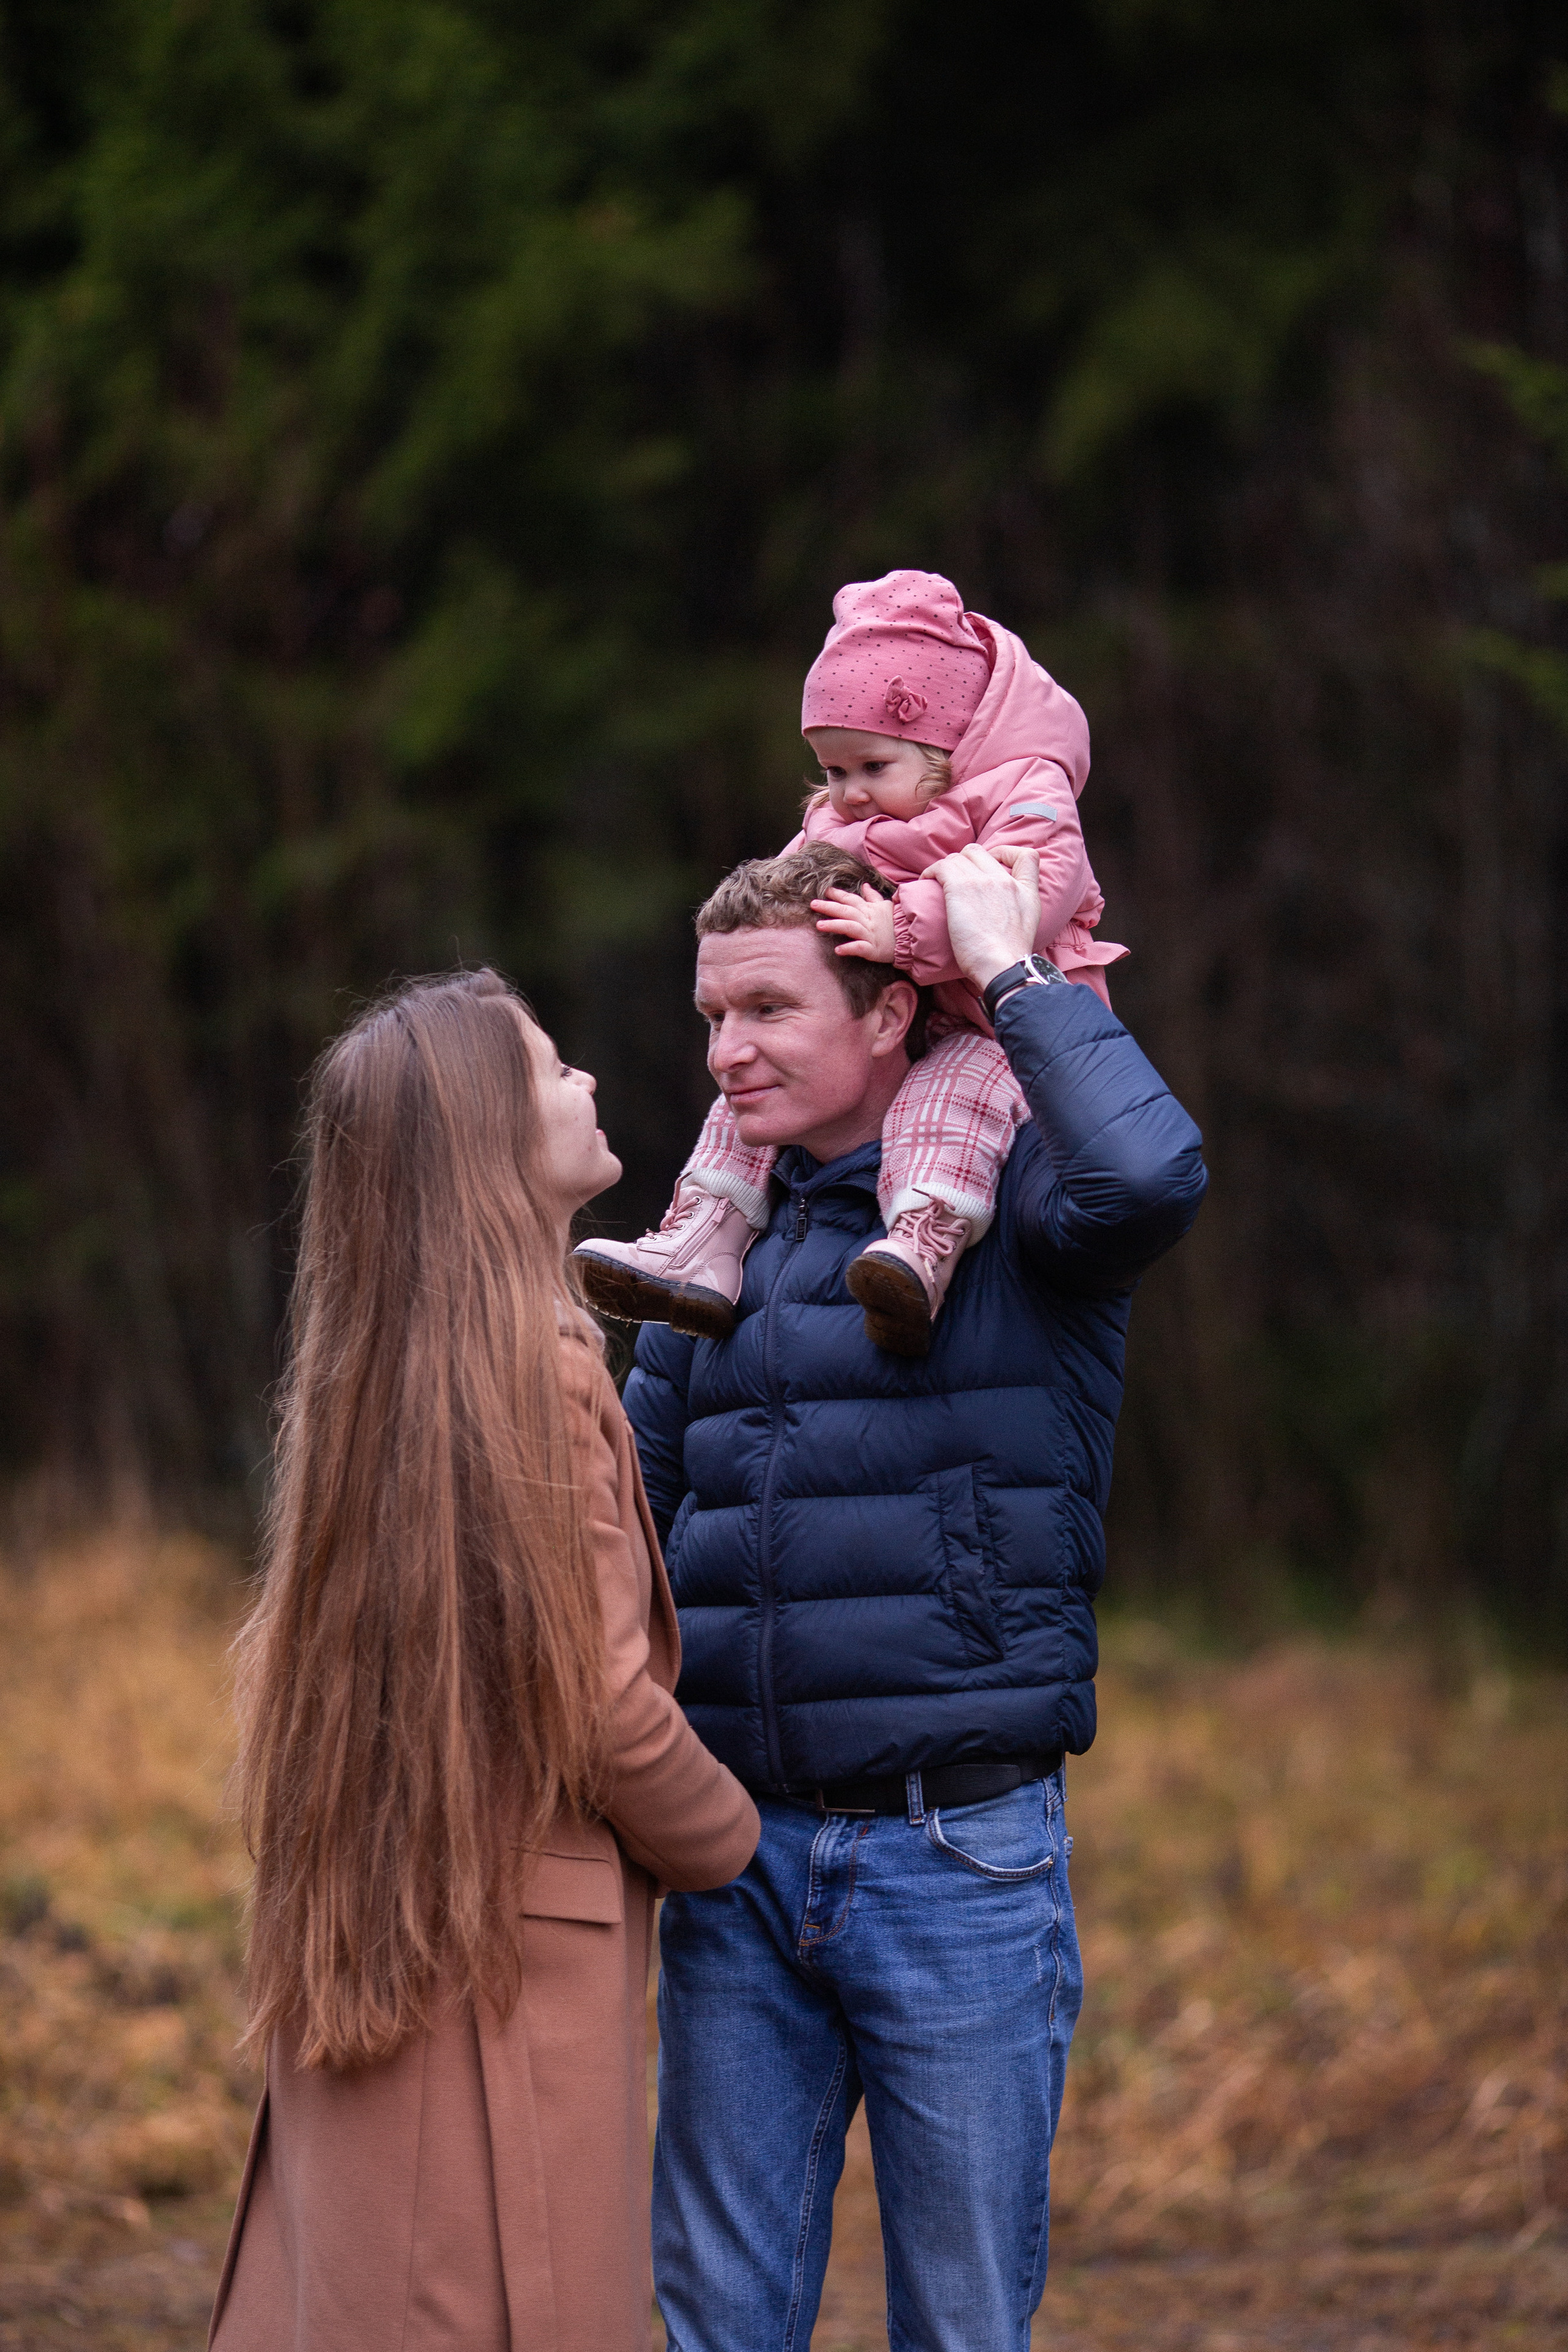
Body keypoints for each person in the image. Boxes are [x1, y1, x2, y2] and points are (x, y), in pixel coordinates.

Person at [623, 839, 1207, 2352]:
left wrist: (1009, 973)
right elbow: (627, 1508)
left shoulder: (1022, 1214)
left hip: (954, 1854)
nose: (722, 1053)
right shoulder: (717, 1243)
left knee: (957, 2322)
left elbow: (1148, 1171)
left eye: (764, 1009)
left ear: (888, 1012)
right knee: (716, 2323)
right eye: (709, 1015)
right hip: (734, 1856)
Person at [208, 969, 758, 2352]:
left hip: (394, 1917)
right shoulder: (546, 1369)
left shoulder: (369, 1374)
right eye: (548, 1069)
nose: (582, 1083)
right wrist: (732, 1838)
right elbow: (601, 1697)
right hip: (512, 1968)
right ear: (482, 1145)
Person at [573, 568, 1125, 1356]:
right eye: (833, 773)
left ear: (945, 743)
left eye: (873, 768)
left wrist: (902, 930)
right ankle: (704, 1238)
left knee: (949, 1101)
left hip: (998, 1026)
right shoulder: (835, 819)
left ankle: (917, 1250)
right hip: (902, 1017)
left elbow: (1030, 887)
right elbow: (784, 898)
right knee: (753, 1087)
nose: (851, 795)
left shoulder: (1021, 788)